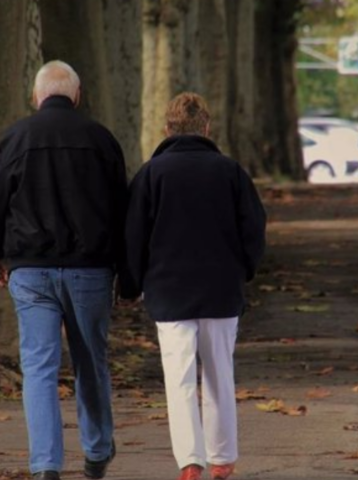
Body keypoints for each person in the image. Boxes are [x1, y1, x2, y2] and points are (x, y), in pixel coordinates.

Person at [0, 60, 129, 480]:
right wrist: (126, 271)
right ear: (77, 96)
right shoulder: (101, 140)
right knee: (90, 361)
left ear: (36, 96)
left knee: (39, 367)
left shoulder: (14, 138)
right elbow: (122, 211)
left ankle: (46, 463)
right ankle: (97, 451)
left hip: (30, 270)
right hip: (90, 270)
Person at [124, 93, 267, 480]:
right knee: (220, 372)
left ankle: (190, 459)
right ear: (207, 128)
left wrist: (131, 284)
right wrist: (244, 270)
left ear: (167, 129)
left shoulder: (151, 175)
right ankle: (223, 457)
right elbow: (253, 229)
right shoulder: (231, 172)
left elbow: (134, 236)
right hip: (221, 288)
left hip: (168, 291)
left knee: (180, 377)